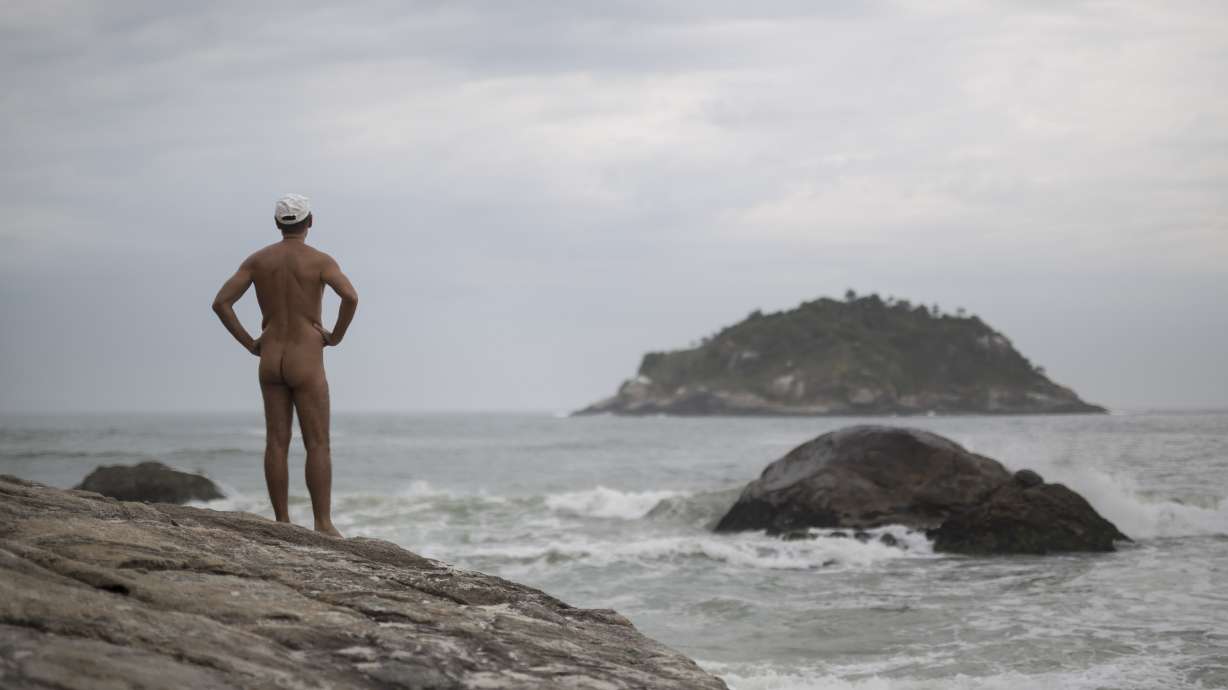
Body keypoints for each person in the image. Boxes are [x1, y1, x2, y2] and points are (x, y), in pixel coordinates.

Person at [212, 194, 358, 537]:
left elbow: (221, 303)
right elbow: (350, 297)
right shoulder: (320, 261)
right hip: (306, 358)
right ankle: (322, 523)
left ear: (278, 224)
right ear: (311, 221)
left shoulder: (258, 260)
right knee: (317, 443)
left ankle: (282, 523)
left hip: (270, 358)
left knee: (276, 441)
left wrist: (250, 342)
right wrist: (335, 336)